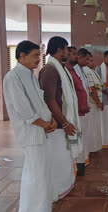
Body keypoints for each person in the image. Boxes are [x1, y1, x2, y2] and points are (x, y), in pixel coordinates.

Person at [3, 40, 57, 212]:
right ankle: (31, 210)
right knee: (35, 176)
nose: (38, 60)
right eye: (35, 56)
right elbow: (25, 111)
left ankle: (42, 208)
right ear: (21, 55)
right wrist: (45, 123)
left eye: (38, 56)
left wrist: (51, 120)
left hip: (42, 131)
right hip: (31, 134)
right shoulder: (13, 78)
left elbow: (40, 104)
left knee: (42, 173)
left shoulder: (31, 75)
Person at [39, 36, 83, 201]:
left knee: (64, 158)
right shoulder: (50, 70)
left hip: (62, 124)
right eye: (66, 49)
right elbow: (49, 99)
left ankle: (64, 186)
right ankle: (56, 191)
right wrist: (64, 123)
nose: (68, 52)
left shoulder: (61, 68)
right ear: (59, 50)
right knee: (58, 160)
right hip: (56, 127)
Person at [65, 46, 91, 166]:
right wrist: (80, 106)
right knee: (78, 137)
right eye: (74, 54)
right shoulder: (67, 70)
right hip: (76, 111)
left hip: (82, 109)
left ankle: (82, 160)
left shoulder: (76, 70)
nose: (76, 56)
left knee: (83, 136)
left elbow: (82, 89)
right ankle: (78, 163)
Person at [73, 48, 92, 165]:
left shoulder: (82, 70)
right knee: (80, 135)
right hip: (78, 109)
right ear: (79, 57)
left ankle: (84, 158)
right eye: (87, 59)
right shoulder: (74, 70)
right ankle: (79, 160)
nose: (88, 61)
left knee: (84, 134)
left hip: (84, 107)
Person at [83, 52, 104, 153]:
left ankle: (94, 147)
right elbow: (91, 89)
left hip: (95, 103)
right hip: (92, 103)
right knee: (91, 126)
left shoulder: (92, 71)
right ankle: (90, 148)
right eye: (90, 60)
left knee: (95, 126)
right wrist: (98, 102)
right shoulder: (86, 71)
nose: (93, 63)